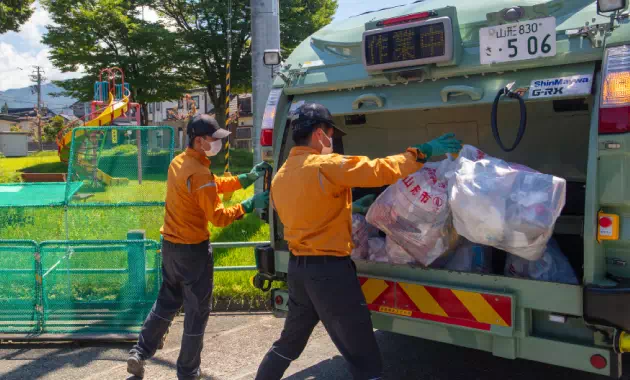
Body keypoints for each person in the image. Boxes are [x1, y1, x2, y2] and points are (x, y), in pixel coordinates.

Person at [255, 103, 462, 380]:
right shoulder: (327, 165)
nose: (332, 141)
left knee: (289, 343)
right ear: (319, 134)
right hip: (330, 273)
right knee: (362, 351)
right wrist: (421, 151)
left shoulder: (281, 175)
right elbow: (380, 170)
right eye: (331, 134)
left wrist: (351, 209)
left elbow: (309, 210)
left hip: (299, 270)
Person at [127, 114, 270, 380]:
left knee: (166, 302)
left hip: (170, 246)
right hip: (193, 252)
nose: (217, 142)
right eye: (213, 138)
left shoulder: (179, 163)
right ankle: (188, 371)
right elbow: (218, 216)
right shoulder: (200, 172)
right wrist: (248, 204)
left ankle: (139, 352)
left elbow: (210, 185)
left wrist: (245, 178)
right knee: (196, 313)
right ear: (198, 139)